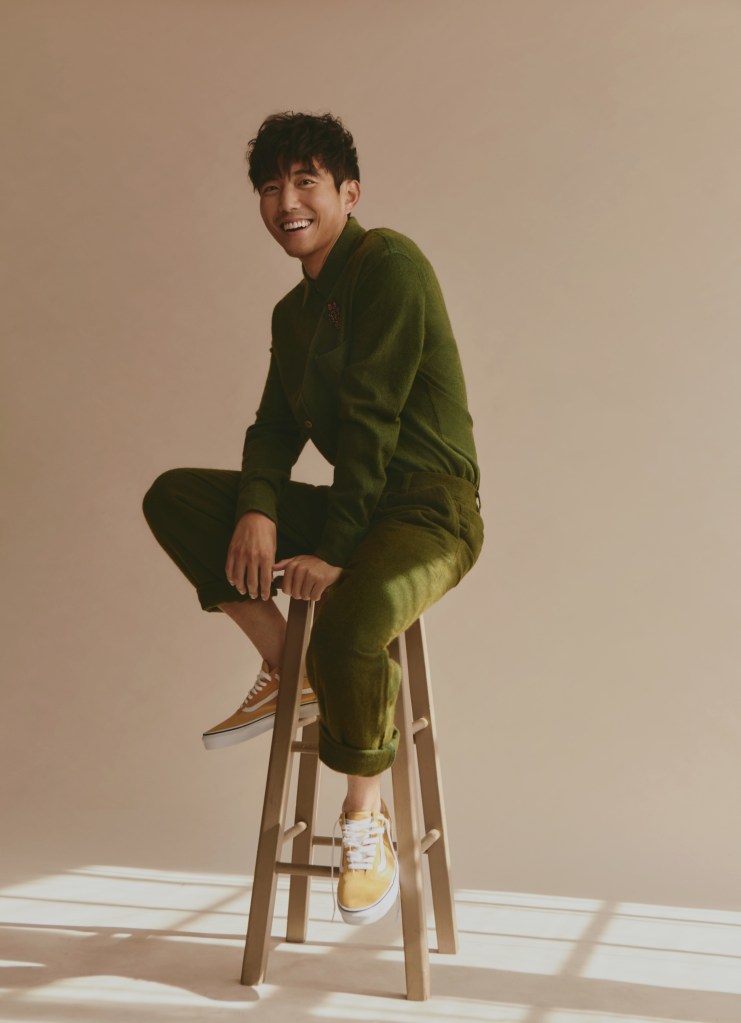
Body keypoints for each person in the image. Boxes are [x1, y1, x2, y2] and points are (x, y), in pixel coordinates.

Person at [142, 111, 483, 926]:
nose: (286, 202)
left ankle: (365, 816)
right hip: (359, 503)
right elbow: (271, 428)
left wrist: (332, 552)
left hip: (429, 508)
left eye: (305, 182)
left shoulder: (387, 262)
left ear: (347, 193)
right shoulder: (291, 316)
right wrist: (257, 509)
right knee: (176, 497)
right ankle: (288, 669)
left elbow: (371, 420)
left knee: (353, 615)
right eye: (270, 187)